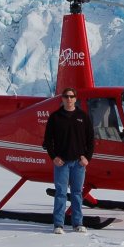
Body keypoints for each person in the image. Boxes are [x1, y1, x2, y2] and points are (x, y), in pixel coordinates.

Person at [42, 87, 94, 234]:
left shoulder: (83, 116)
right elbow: (47, 141)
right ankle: (58, 224)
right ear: (62, 99)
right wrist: (54, 157)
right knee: (61, 193)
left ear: (75, 98)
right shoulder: (55, 117)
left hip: (78, 163)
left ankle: (77, 223)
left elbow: (91, 140)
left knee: (77, 193)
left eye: (71, 96)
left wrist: (87, 158)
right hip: (62, 163)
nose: (69, 99)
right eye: (66, 96)